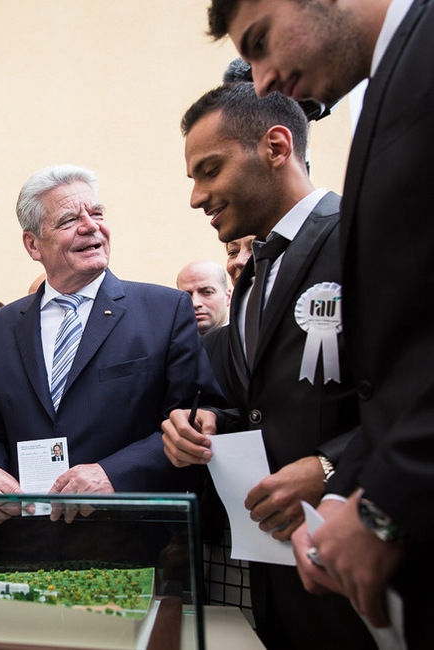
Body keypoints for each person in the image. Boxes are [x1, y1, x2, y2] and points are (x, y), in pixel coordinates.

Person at [208, 1, 434, 645]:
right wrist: (206, 423)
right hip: (296, 566)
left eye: (260, 42)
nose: (263, 78)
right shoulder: (249, 276)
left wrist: (352, 484)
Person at [165, 81, 371, 650]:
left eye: (210, 170)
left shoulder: (361, 233)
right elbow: (259, 406)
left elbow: (413, 398)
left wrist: (331, 467)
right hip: (280, 574)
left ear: (276, 148)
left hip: (367, 558)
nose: (196, 196)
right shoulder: (254, 276)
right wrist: (210, 424)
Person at [0, 164, 220, 523]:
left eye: (97, 213)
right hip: (27, 543)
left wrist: (114, 473)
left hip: (131, 540)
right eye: (70, 219)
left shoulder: (164, 311)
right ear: (33, 244)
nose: (91, 226)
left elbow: (195, 419)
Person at [176, 260, 231, 335]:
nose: (195, 303)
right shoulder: (167, 343)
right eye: (186, 295)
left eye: (207, 292)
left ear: (228, 297)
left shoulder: (246, 340)